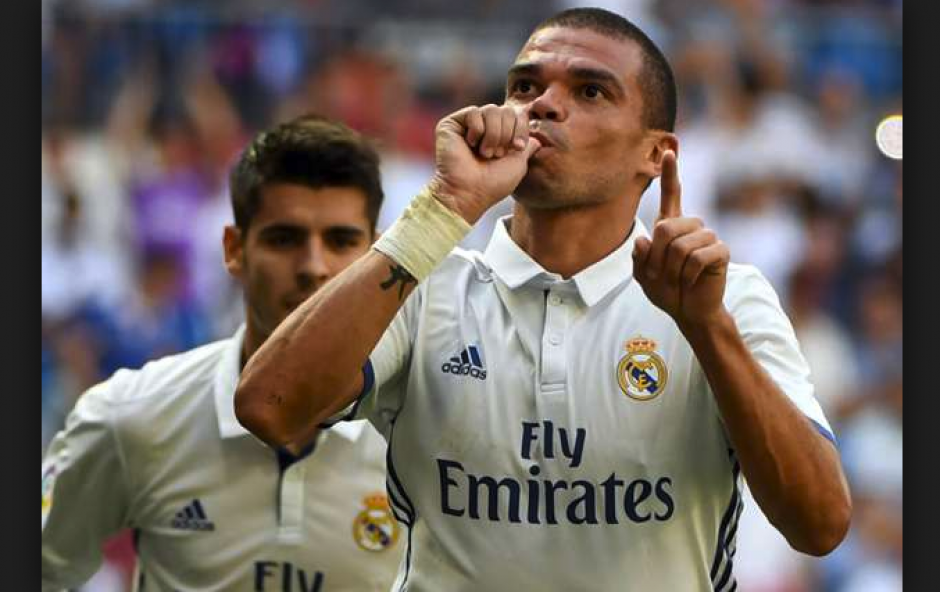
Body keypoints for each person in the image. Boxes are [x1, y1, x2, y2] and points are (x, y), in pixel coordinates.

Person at [235, 8, 852, 591]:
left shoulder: (724, 298)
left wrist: (707, 329)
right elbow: (269, 408)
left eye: (591, 91)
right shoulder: (427, 286)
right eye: (525, 86)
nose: (544, 105)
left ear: (656, 154)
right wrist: (444, 208)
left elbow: (820, 526)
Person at [42, 115, 405, 591]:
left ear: (376, 257)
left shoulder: (418, 432)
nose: (314, 266)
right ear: (234, 249)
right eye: (284, 239)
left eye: (340, 241)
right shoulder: (134, 414)